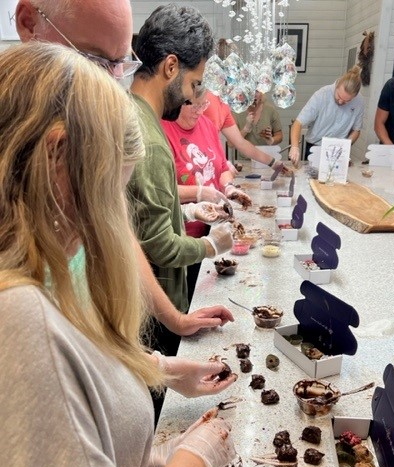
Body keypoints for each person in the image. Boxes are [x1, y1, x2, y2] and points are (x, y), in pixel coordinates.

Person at [0, 41, 237, 467]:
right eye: (109, 189)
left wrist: (145, 441)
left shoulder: (37, 269)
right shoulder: (16, 314)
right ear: (58, 159)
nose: (110, 216)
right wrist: (192, 460)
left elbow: (58, 420)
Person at [15, 0, 235, 346]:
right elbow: (150, 241)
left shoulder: (119, 118)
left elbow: (122, 225)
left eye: (119, 64)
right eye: (93, 60)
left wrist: (188, 209)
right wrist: (210, 244)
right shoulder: (138, 136)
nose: (109, 83)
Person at [128, 5, 235, 363]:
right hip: (151, 313)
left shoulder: (130, 112)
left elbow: (136, 215)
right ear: (170, 67)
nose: (191, 96)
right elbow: (161, 248)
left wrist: (185, 207)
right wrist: (210, 244)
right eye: (194, 82)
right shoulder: (152, 140)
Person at [162, 86, 253, 298]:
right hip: (182, 237)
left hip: (212, 229)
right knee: (186, 298)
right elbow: (161, 190)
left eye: (203, 105)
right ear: (177, 101)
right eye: (192, 104)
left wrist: (228, 188)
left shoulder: (207, 126)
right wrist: (200, 192)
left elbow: (221, 168)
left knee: (207, 295)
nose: (198, 111)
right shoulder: (163, 130)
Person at [202, 38, 286, 172]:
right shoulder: (206, 99)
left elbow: (240, 143)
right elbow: (202, 146)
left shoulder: (224, 105)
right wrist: (223, 166)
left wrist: (273, 162)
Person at [289, 65, 364, 166]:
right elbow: (298, 123)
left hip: (339, 149)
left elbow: (356, 130)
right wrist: (294, 147)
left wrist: (346, 145)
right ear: (337, 86)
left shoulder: (359, 101)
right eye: (339, 97)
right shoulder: (322, 95)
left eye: (347, 101)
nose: (341, 102)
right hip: (315, 147)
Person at [233, 89, 284, 157]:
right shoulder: (237, 112)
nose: (254, 94)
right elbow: (231, 144)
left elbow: (279, 136)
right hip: (245, 160)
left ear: (261, 93)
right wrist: (246, 129)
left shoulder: (270, 110)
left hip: (266, 160)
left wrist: (271, 140)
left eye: (257, 91)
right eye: (250, 91)